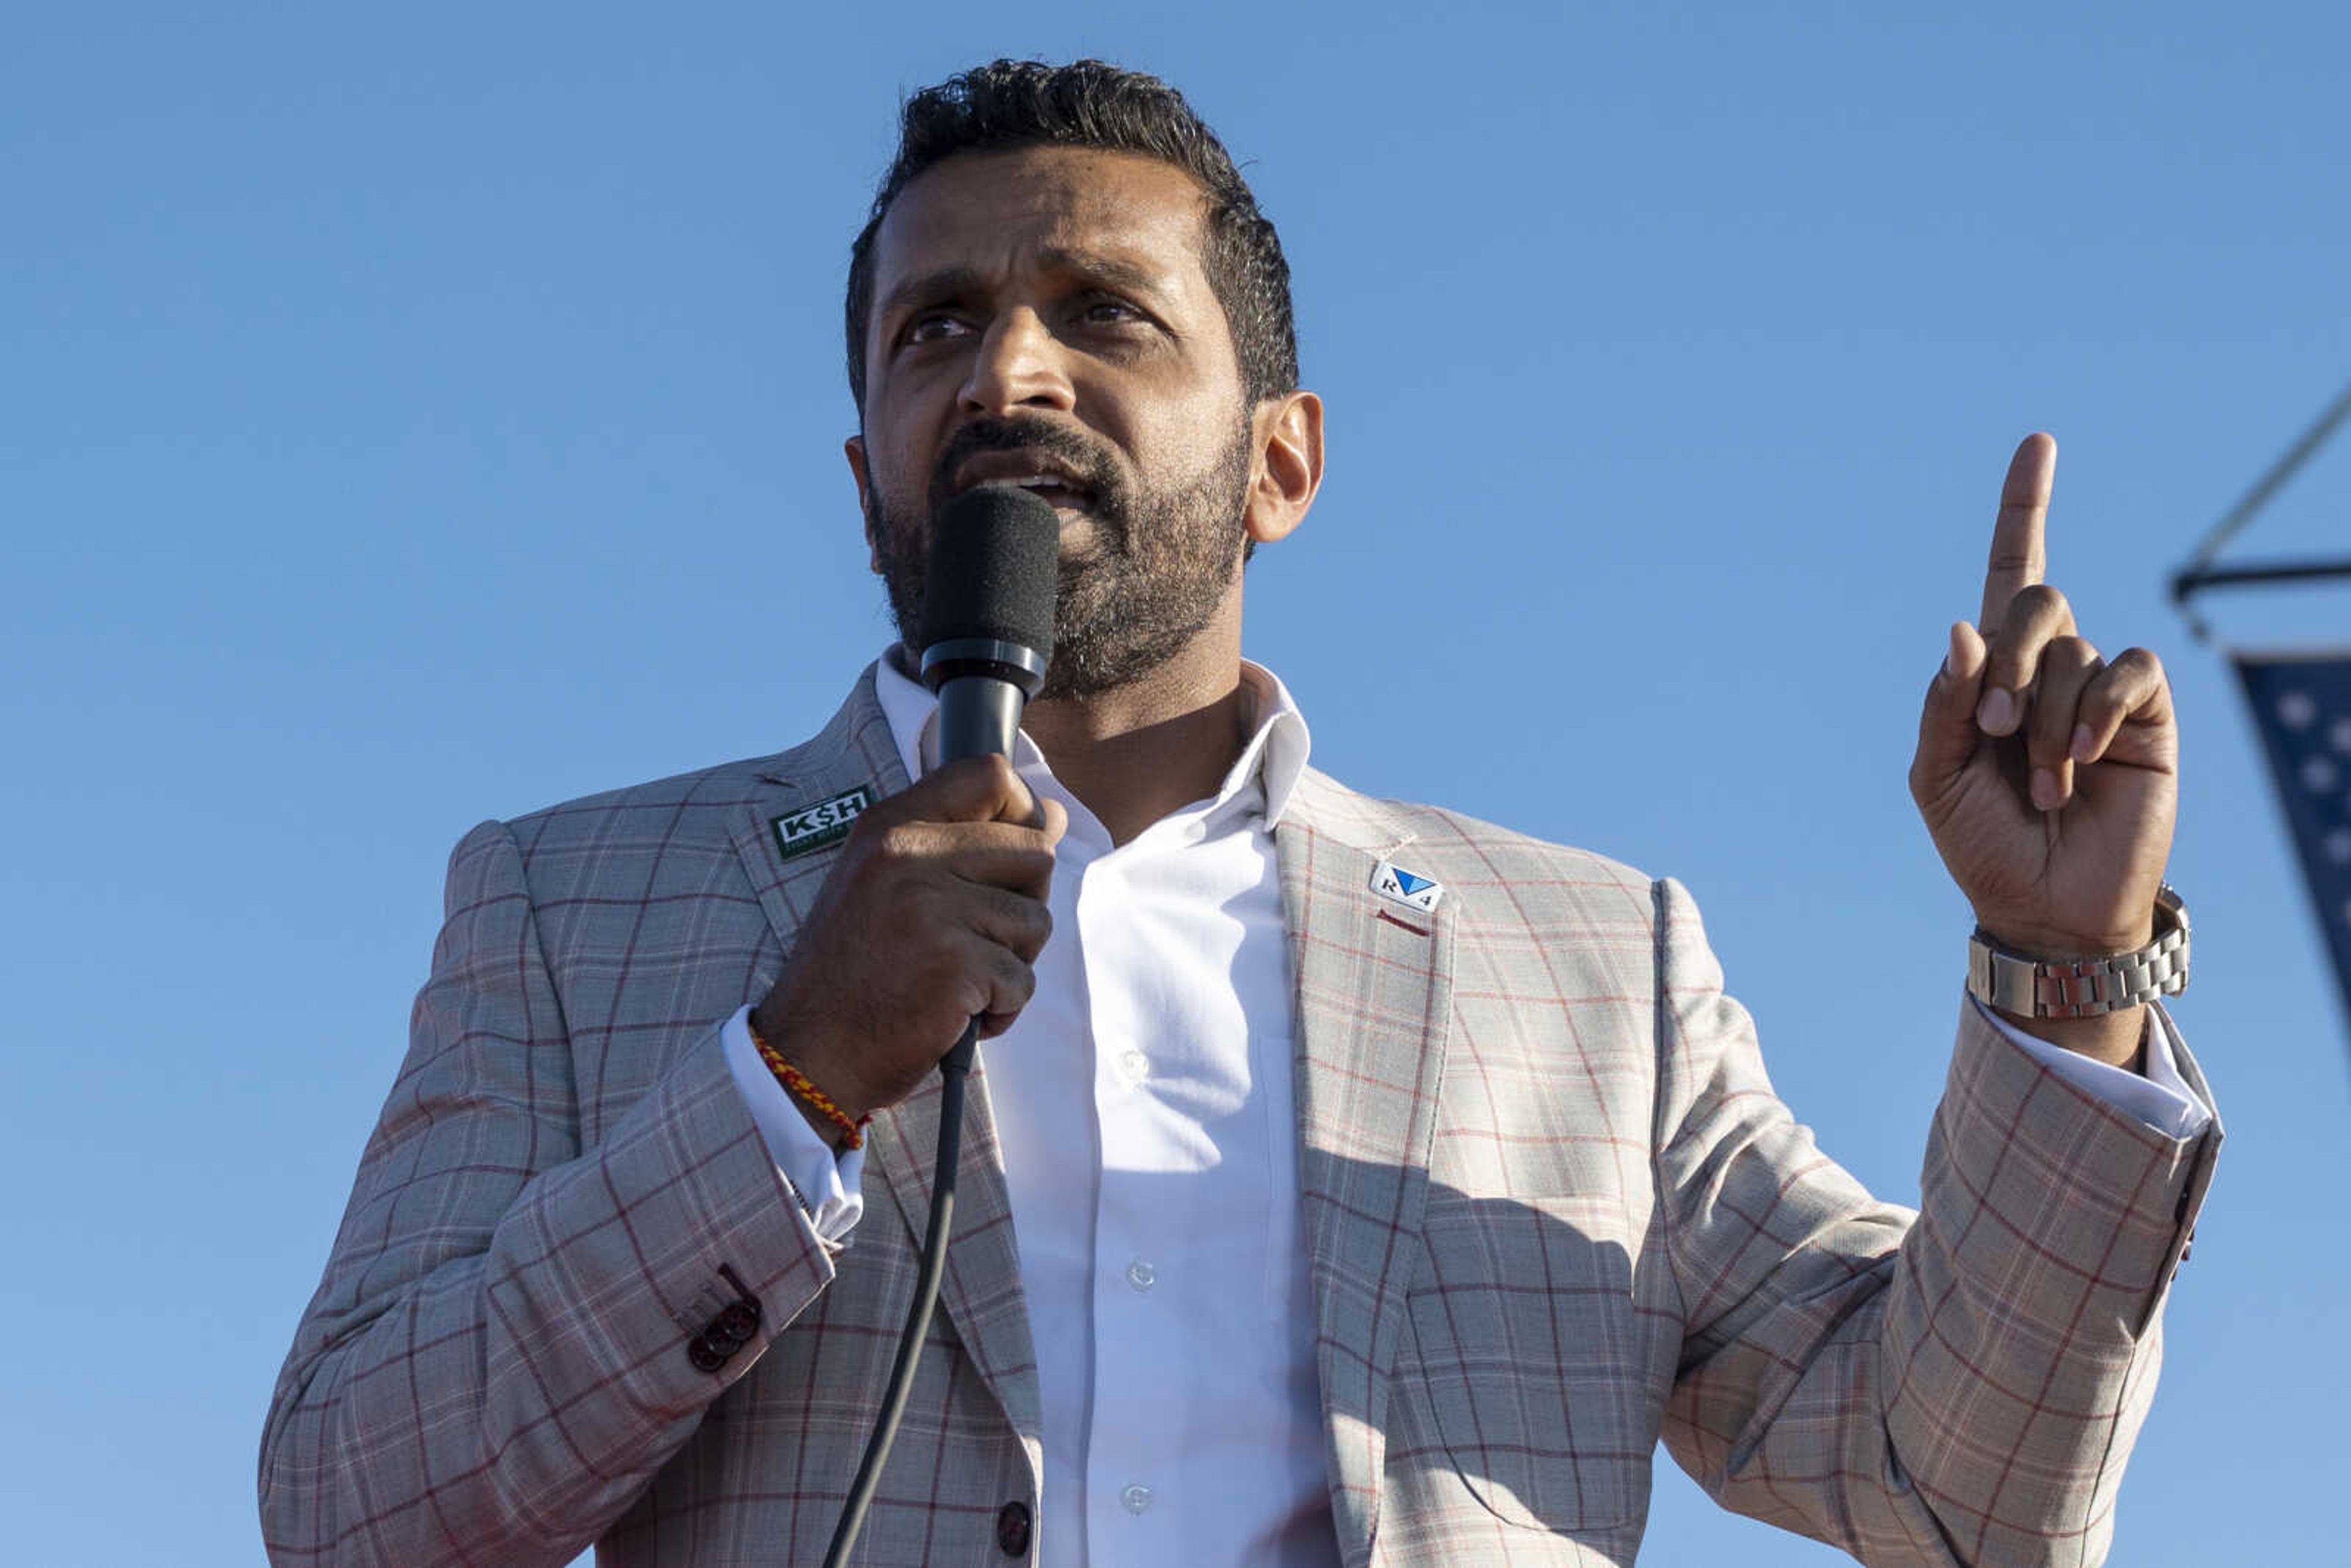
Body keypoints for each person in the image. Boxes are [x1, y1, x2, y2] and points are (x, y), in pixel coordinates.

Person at [259, 58, 2217, 1568]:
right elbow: (356, 1504)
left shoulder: (1592, 962)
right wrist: (789, 1081)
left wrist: (2064, 968)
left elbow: (1955, 1486)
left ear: (1282, 461)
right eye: (934, 328)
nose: (1008, 366)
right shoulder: (571, 903)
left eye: (1103, 312)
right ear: (869, 467)